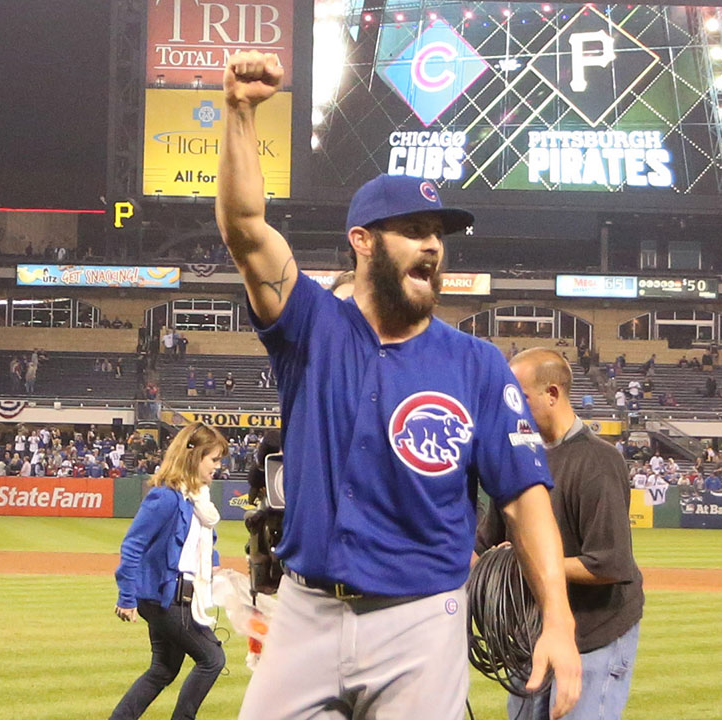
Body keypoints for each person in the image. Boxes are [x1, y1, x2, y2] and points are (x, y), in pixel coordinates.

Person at [215, 51, 580, 720]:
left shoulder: (476, 364)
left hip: (420, 622)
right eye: (413, 230)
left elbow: (526, 496)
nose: (433, 246)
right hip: (304, 612)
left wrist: (557, 617)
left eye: (439, 233)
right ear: (363, 241)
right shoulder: (311, 327)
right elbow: (245, 230)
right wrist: (239, 112)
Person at [476, 349, 643, 720]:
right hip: (532, 632)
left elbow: (610, 565)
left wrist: (522, 564)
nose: (509, 408)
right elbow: (485, 549)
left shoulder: (599, 461)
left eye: (518, 398)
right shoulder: (518, 456)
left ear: (552, 394)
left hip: (595, 632)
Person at [110, 422, 228, 720]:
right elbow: (133, 545)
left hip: (177, 596)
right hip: (166, 599)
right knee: (212, 659)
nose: (218, 466)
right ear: (194, 456)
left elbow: (201, 539)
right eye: (213, 459)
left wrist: (212, 560)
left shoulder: (198, 499)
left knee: (163, 669)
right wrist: (126, 597)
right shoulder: (166, 497)